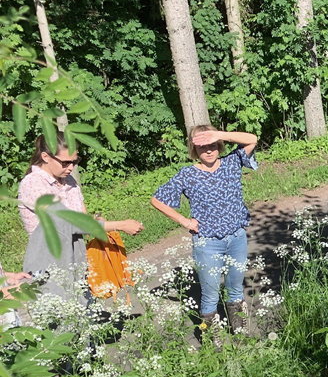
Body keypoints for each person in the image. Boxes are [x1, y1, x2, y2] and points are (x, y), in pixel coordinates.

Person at [150, 125, 258, 330]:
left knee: (235, 287)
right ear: (194, 149)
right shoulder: (188, 174)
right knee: (210, 293)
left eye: (212, 145)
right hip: (208, 243)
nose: (208, 151)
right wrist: (185, 221)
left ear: (219, 145)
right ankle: (212, 337)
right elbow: (157, 200)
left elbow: (252, 139)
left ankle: (240, 331)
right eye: (202, 147)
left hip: (237, 237)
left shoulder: (232, 162)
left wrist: (219, 134)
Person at [17, 135, 143, 301]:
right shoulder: (33, 184)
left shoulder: (68, 180)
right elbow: (68, 222)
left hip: (77, 261)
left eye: (75, 162)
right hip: (50, 267)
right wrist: (120, 224)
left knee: (85, 309)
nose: (71, 167)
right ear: (45, 157)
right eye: (65, 162)